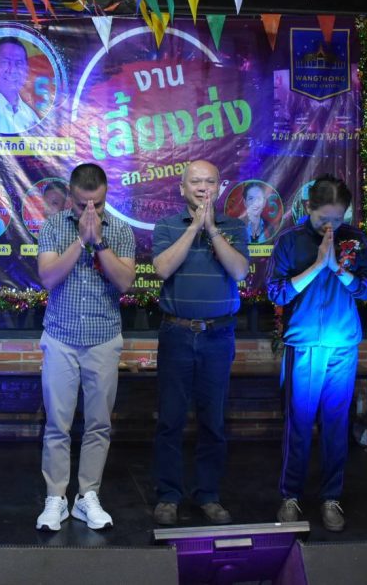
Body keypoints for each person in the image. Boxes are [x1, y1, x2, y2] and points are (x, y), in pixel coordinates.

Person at [266, 175, 367, 532]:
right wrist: (316, 266)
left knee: (336, 425)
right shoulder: (290, 240)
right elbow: (276, 292)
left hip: (342, 345)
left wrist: (337, 270)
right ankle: (290, 496)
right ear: (308, 208)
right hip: (303, 346)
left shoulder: (355, 240)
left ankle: (331, 497)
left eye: (337, 219)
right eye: (322, 219)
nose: (330, 227)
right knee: (299, 424)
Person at [35, 163, 135, 531]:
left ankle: (87, 496)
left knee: (98, 425)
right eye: (82, 205)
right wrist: (80, 241)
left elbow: (125, 282)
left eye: (98, 204)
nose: (90, 211)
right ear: (70, 197)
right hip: (60, 337)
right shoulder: (53, 227)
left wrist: (99, 243)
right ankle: (55, 498)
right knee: (57, 425)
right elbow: (48, 277)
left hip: (103, 338)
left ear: (106, 197)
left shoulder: (119, 230)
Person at [150, 161, 250, 526]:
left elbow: (239, 271)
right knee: (170, 420)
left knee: (213, 421)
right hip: (177, 334)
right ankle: (168, 496)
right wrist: (194, 227)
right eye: (195, 181)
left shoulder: (234, 227)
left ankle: (208, 495)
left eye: (210, 181)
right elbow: (162, 268)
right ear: (182, 188)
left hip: (218, 337)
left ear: (219, 188)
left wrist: (212, 229)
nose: (203, 187)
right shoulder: (167, 226)